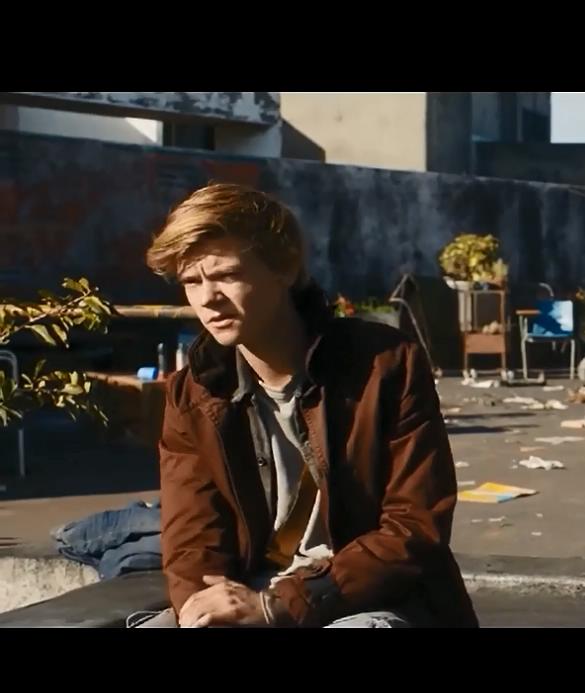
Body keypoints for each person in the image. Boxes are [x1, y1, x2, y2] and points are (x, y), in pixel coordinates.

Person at [135, 182, 477, 628]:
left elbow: (414, 528)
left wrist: (279, 605)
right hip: (248, 590)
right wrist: (201, 606)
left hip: (365, 595)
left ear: (284, 268)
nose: (207, 298)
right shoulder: (194, 391)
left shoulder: (385, 364)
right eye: (191, 282)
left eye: (226, 275)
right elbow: (192, 537)